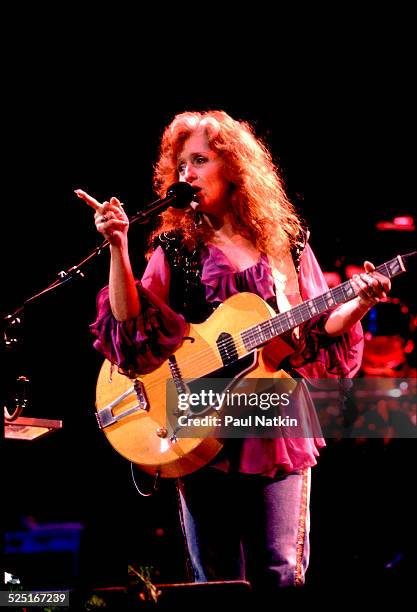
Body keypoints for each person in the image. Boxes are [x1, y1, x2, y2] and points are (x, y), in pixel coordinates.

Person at [75, 110, 390, 598]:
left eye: (200, 160)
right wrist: (118, 246)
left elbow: (318, 332)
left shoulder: (288, 244)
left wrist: (360, 301)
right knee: (216, 578)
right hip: (197, 414)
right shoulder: (176, 247)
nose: (188, 174)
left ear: (235, 167)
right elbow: (129, 325)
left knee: (280, 572)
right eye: (181, 165)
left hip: (272, 414)